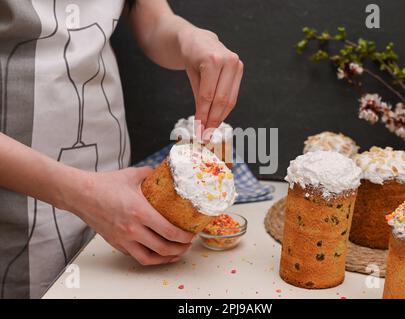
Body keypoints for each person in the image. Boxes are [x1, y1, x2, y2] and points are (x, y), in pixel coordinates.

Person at [0, 0, 243, 299]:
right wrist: (83, 194)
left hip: (119, 191)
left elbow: (153, 21)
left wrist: (186, 36)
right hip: (16, 205)